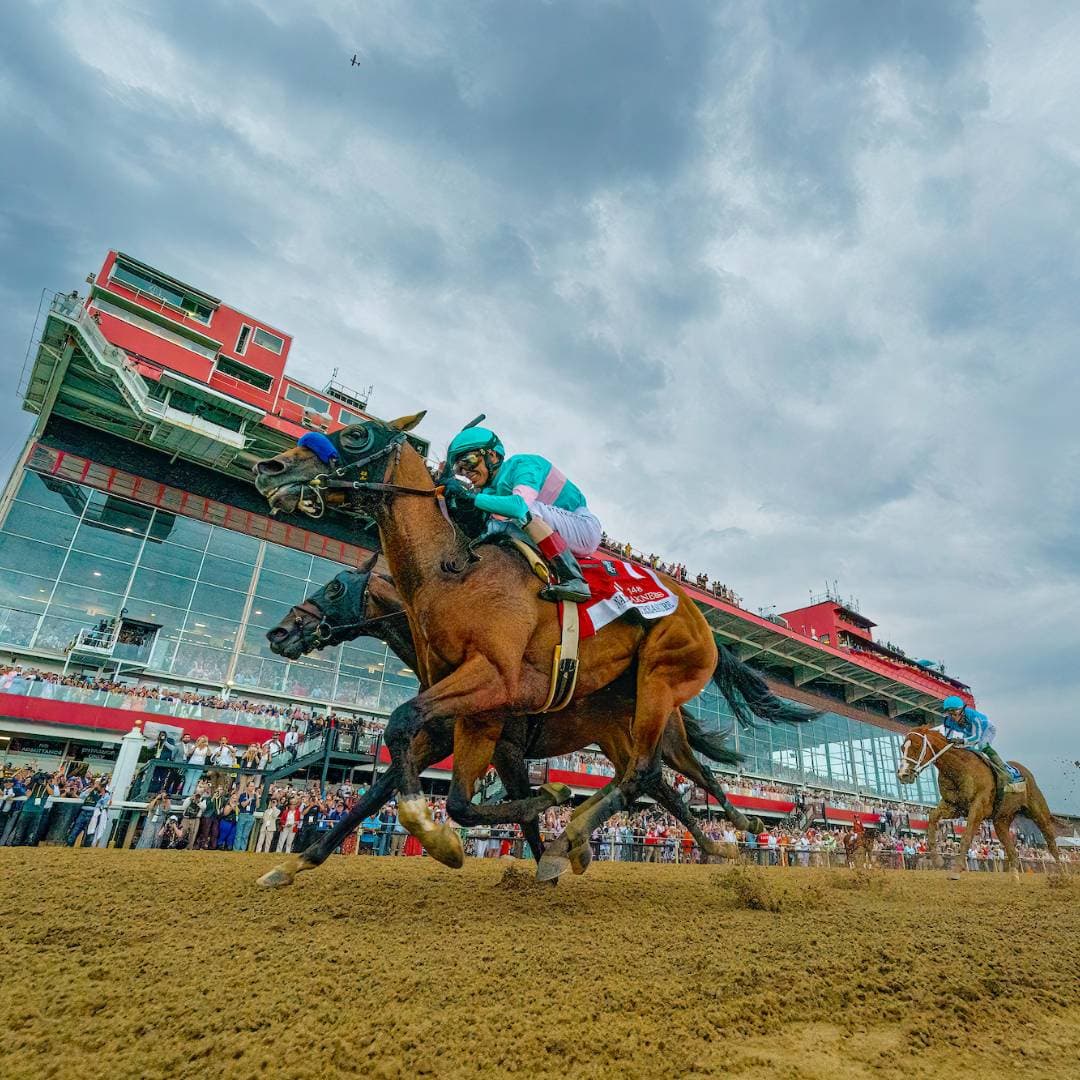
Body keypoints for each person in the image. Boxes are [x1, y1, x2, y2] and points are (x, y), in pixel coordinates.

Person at [443, 423, 601, 603]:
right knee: (493, 528)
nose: (465, 472)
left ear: (492, 455)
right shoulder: (487, 491)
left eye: (468, 461)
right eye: (459, 469)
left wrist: (468, 496)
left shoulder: (524, 464)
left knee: (524, 511)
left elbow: (519, 507)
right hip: (550, 531)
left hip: (583, 529)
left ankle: (574, 579)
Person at [940, 696, 1023, 791]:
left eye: (955, 712)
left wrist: (961, 741)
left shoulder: (973, 716)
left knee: (982, 746)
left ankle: (1004, 772)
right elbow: (947, 738)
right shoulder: (948, 721)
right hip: (969, 732)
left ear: (962, 710)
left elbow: (976, 738)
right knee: (962, 749)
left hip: (986, 730)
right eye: (949, 713)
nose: (953, 717)